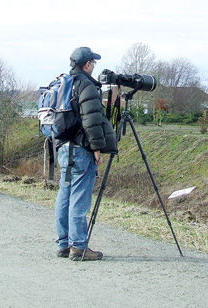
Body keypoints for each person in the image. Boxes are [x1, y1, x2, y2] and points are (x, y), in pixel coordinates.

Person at [55, 47, 118, 261]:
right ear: (87, 64)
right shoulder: (86, 85)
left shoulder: (64, 83)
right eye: (93, 62)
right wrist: (97, 148)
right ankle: (79, 247)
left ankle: (64, 243)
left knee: (64, 195)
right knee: (79, 199)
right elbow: (91, 119)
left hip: (63, 147)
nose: (94, 66)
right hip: (81, 149)